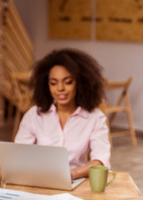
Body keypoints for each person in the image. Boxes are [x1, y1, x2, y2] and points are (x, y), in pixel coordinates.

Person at [14, 48, 111, 180]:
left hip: (77, 181)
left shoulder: (95, 118)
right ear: (46, 84)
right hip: (41, 180)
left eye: (67, 82)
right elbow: (19, 154)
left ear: (79, 83)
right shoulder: (34, 115)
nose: (60, 88)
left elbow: (100, 160)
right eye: (53, 83)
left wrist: (71, 174)